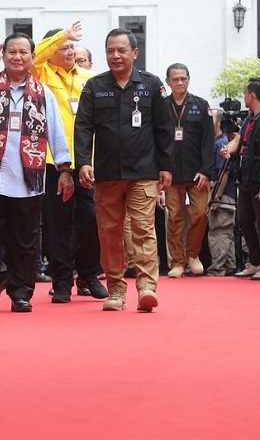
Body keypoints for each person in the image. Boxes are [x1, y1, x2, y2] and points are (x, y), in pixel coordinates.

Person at [0, 33, 74, 313]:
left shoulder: (43, 92)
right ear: (4, 55)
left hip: (27, 176)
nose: (17, 57)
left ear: (33, 58)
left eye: (23, 52)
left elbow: (55, 130)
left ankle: (21, 292)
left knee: (25, 237)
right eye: (12, 52)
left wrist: (64, 167)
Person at [74, 28, 173, 312]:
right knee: (109, 233)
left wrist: (166, 167)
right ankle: (116, 290)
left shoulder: (152, 86)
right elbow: (83, 127)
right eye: (110, 51)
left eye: (121, 50)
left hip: (143, 172)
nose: (115, 56)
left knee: (143, 230)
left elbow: (164, 129)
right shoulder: (94, 87)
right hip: (106, 174)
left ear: (135, 53)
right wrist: (83, 162)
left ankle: (146, 287)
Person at [32, 22, 106, 303]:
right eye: (63, 47)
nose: (70, 50)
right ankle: (61, 280)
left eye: (72, 46)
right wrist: (62, 35)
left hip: (87, 160)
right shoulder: (40, 74)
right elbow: (35, 54)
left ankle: (88, 274)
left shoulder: (90, 78)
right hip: (53, 161)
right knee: (57, 224)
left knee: (90, 219)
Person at [223, 78, 260, 281]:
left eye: (245, 93)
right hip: (247, 179)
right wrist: (227, 149)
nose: (243, 97)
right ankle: (255, 261)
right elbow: (240, 140)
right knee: (244, 220)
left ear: (252, 95)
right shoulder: (251, 118)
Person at [163, 63, 213, 278]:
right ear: (168, 82)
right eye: (175, 79)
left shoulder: (201, 106)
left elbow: (208, 140)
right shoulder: (161, 106)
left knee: (200, 214)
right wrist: (160, 169)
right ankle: (177, 261)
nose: (180, 82)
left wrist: (206, 171)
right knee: (173, 217)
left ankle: (193, 255)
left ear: (189, 79)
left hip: (196, 173)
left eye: (183, 78)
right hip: (171, 173)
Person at [206, 108, 238, 276]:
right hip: (228, 193)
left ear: (218, 123)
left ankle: (218, 268)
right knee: (226, 231)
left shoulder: (220, 144)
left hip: (223, 193)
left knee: (218, 230)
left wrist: (217, 195)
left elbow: (223, 171)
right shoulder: (221, 142)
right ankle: (229, 265)